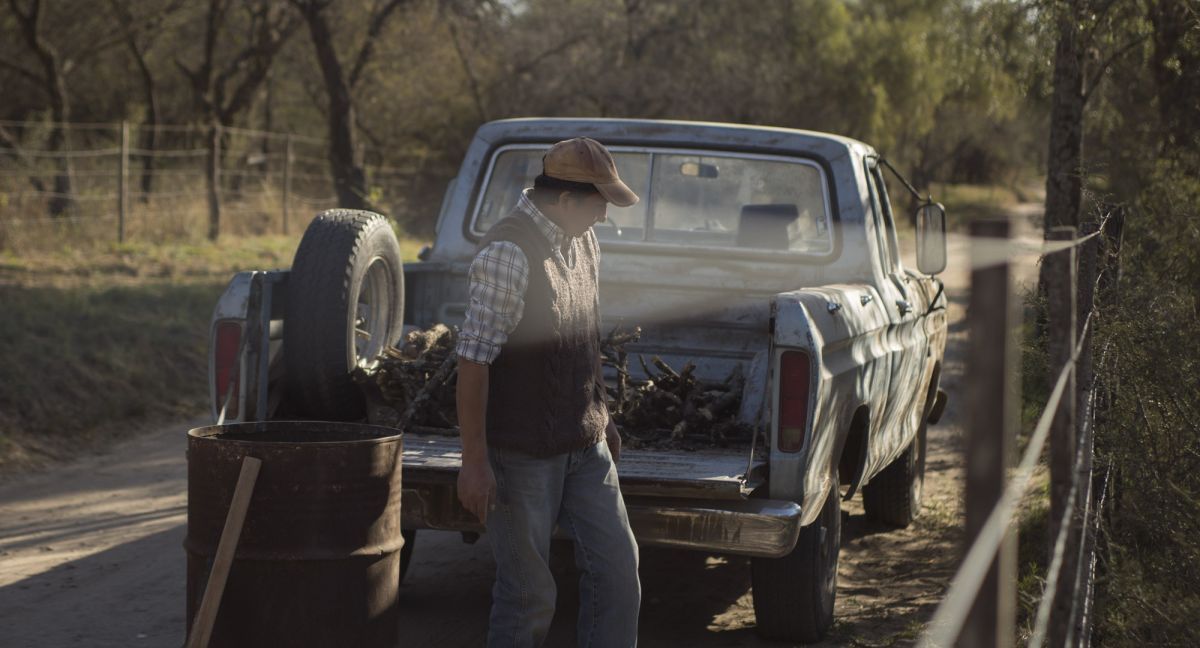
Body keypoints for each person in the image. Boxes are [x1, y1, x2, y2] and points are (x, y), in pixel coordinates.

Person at [455, 137, 642, 648]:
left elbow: (585, 336)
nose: (604, 215)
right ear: (564, 200)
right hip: (520, 456)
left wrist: (602, 413)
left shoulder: (582, 240)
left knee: (619, 574)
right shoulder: (507, 254)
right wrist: (474, 461)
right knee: (528, 596)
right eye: (599, 203)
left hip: (586, 446)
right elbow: (473, 360)